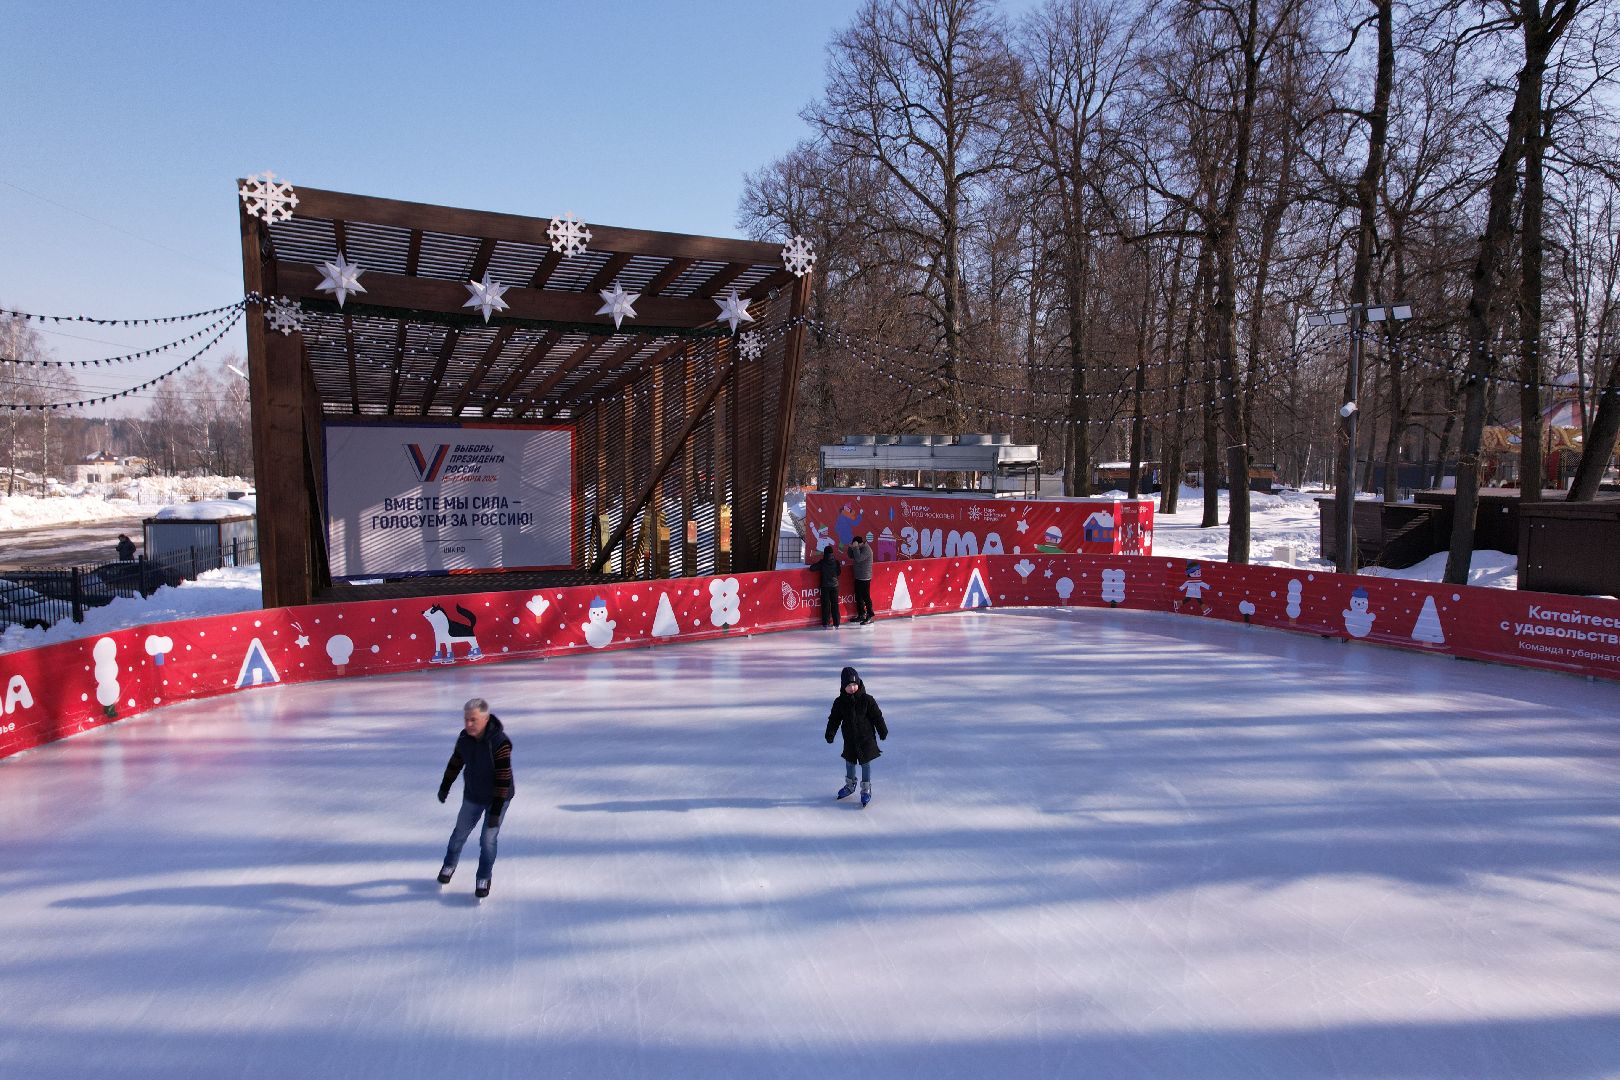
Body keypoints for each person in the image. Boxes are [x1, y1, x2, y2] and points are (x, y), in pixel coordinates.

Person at [436, 697, 514, 898]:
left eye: (473, 720)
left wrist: (496, 811)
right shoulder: (464, 738)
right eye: (466, 720)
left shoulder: (500, 742)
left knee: (487, 839)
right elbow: (455, 763)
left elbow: (503, 778)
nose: (468, 724)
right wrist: (445, 786)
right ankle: (449, 865)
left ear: (486, 719)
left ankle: (483, 876)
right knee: (459, 833)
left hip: (498, 797)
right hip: (473, 794)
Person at [825, 666, 887, 807]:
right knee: (849, 762)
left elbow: (877, 716)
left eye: (854, 684)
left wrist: (882, 730)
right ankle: (850, 785)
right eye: (849, 685)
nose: (852, 688)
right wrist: (830, 733)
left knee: (865, 764)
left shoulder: (867, 700)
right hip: (850, 739)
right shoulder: (839, 702)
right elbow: (834, 719)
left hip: (866, 739)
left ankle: (866, 789)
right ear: (843, 686)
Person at [813, 543, 842, 628]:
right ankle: (836, 623)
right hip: (835, 586)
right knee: (835, 605)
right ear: (832, 553)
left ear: (825, 553)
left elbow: (812, 568)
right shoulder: (836, 562)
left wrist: (819, 562)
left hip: (825, 586)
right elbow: (839, 572)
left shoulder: (822, 562)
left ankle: (825, 623)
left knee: (826, 605)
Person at [849, 532, 875, 624]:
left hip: (865, 577)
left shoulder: (867, 550)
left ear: (860, 544)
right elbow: (851, 556)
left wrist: (855, 548)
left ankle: (870, 615)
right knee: (859, 597)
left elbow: (858, 558)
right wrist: (851, 548)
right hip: (858, 577)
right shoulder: (859, 548)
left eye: (857, 545)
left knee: (866, 597)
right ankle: (861, 615)